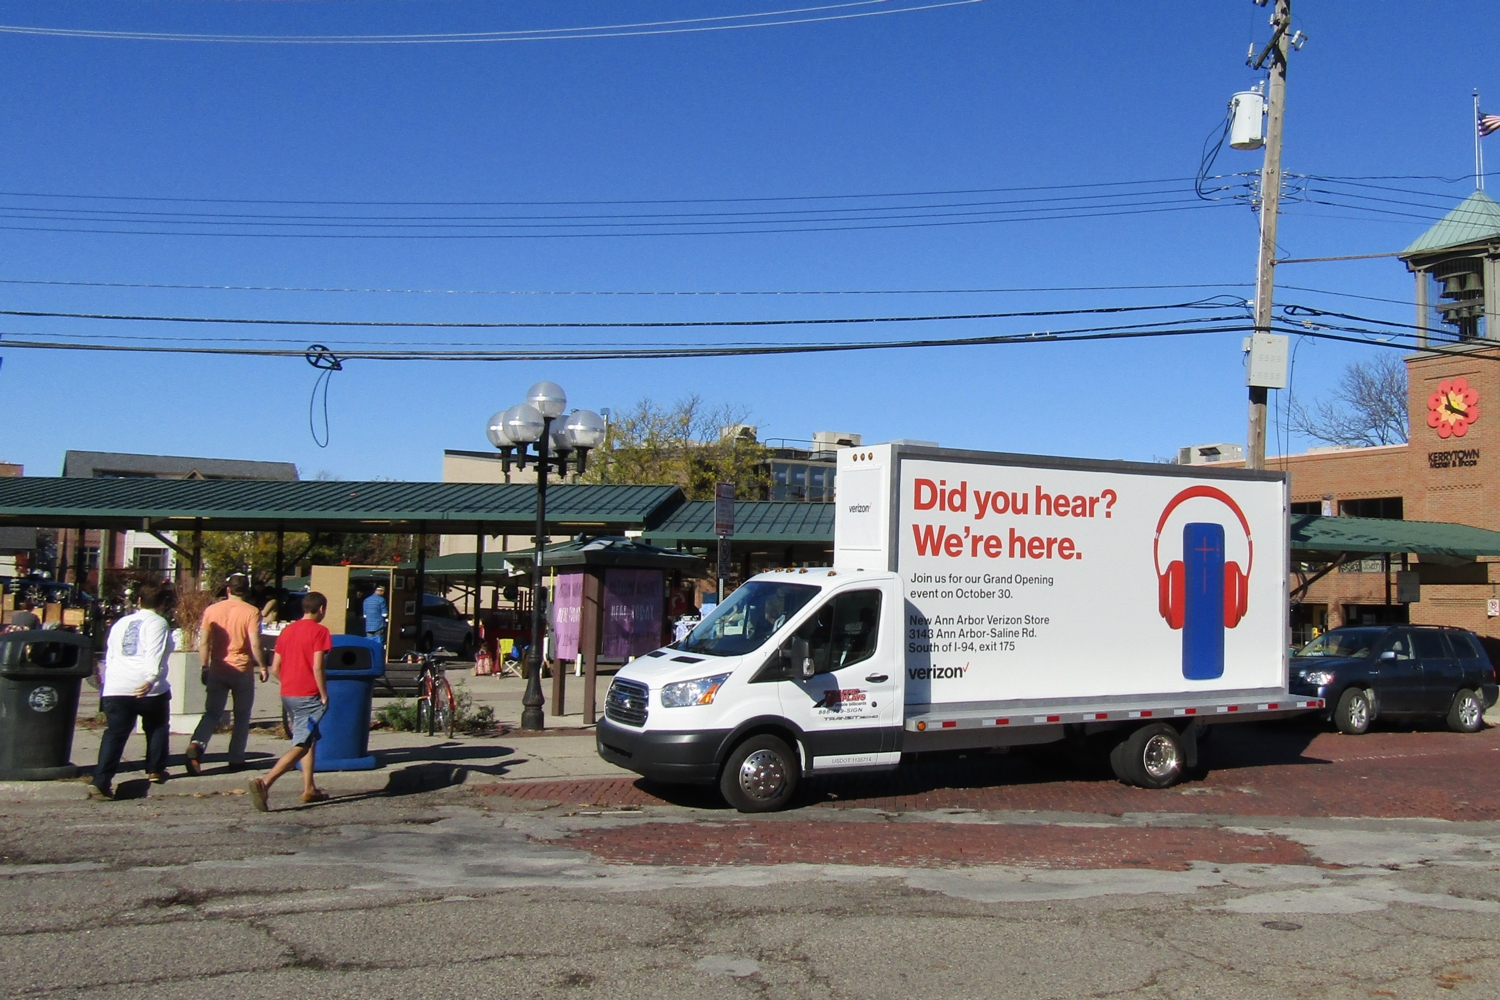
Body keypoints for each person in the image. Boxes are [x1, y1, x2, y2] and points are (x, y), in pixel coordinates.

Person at [89, 582, 175, 799]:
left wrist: (107, 680)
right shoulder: (158, 623)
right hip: (145, 685)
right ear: (163, 603)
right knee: (156, 726)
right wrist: (151, 678)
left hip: (117, 685)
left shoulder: (120, 623)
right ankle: (155, 768)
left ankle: (101, 780)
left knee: (115, 734)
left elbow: (111, 654)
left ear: (138, 601)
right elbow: (154, 653)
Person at [247, 591, 331, 811]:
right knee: (301, 744)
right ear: (321, 609)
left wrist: (289, 681)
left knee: (308, 737)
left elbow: (275, 667)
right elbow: (317, 666)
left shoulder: (287, 631)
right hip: (309, 695)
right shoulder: (321, 632)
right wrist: (323, 693)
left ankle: (309, 787)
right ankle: (265, 782)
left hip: (288, 693)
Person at [187, 574, 267, 775]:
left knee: (212, 713)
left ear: (228, 589)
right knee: (241, 715)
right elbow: (255, 643)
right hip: (241, 668)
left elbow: (204, 642)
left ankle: (197, 744)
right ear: (247, 591)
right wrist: (263, 666)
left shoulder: (212, 610)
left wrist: (204, 666)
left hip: (217, 667)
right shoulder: (252, 612)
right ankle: (236, 758)